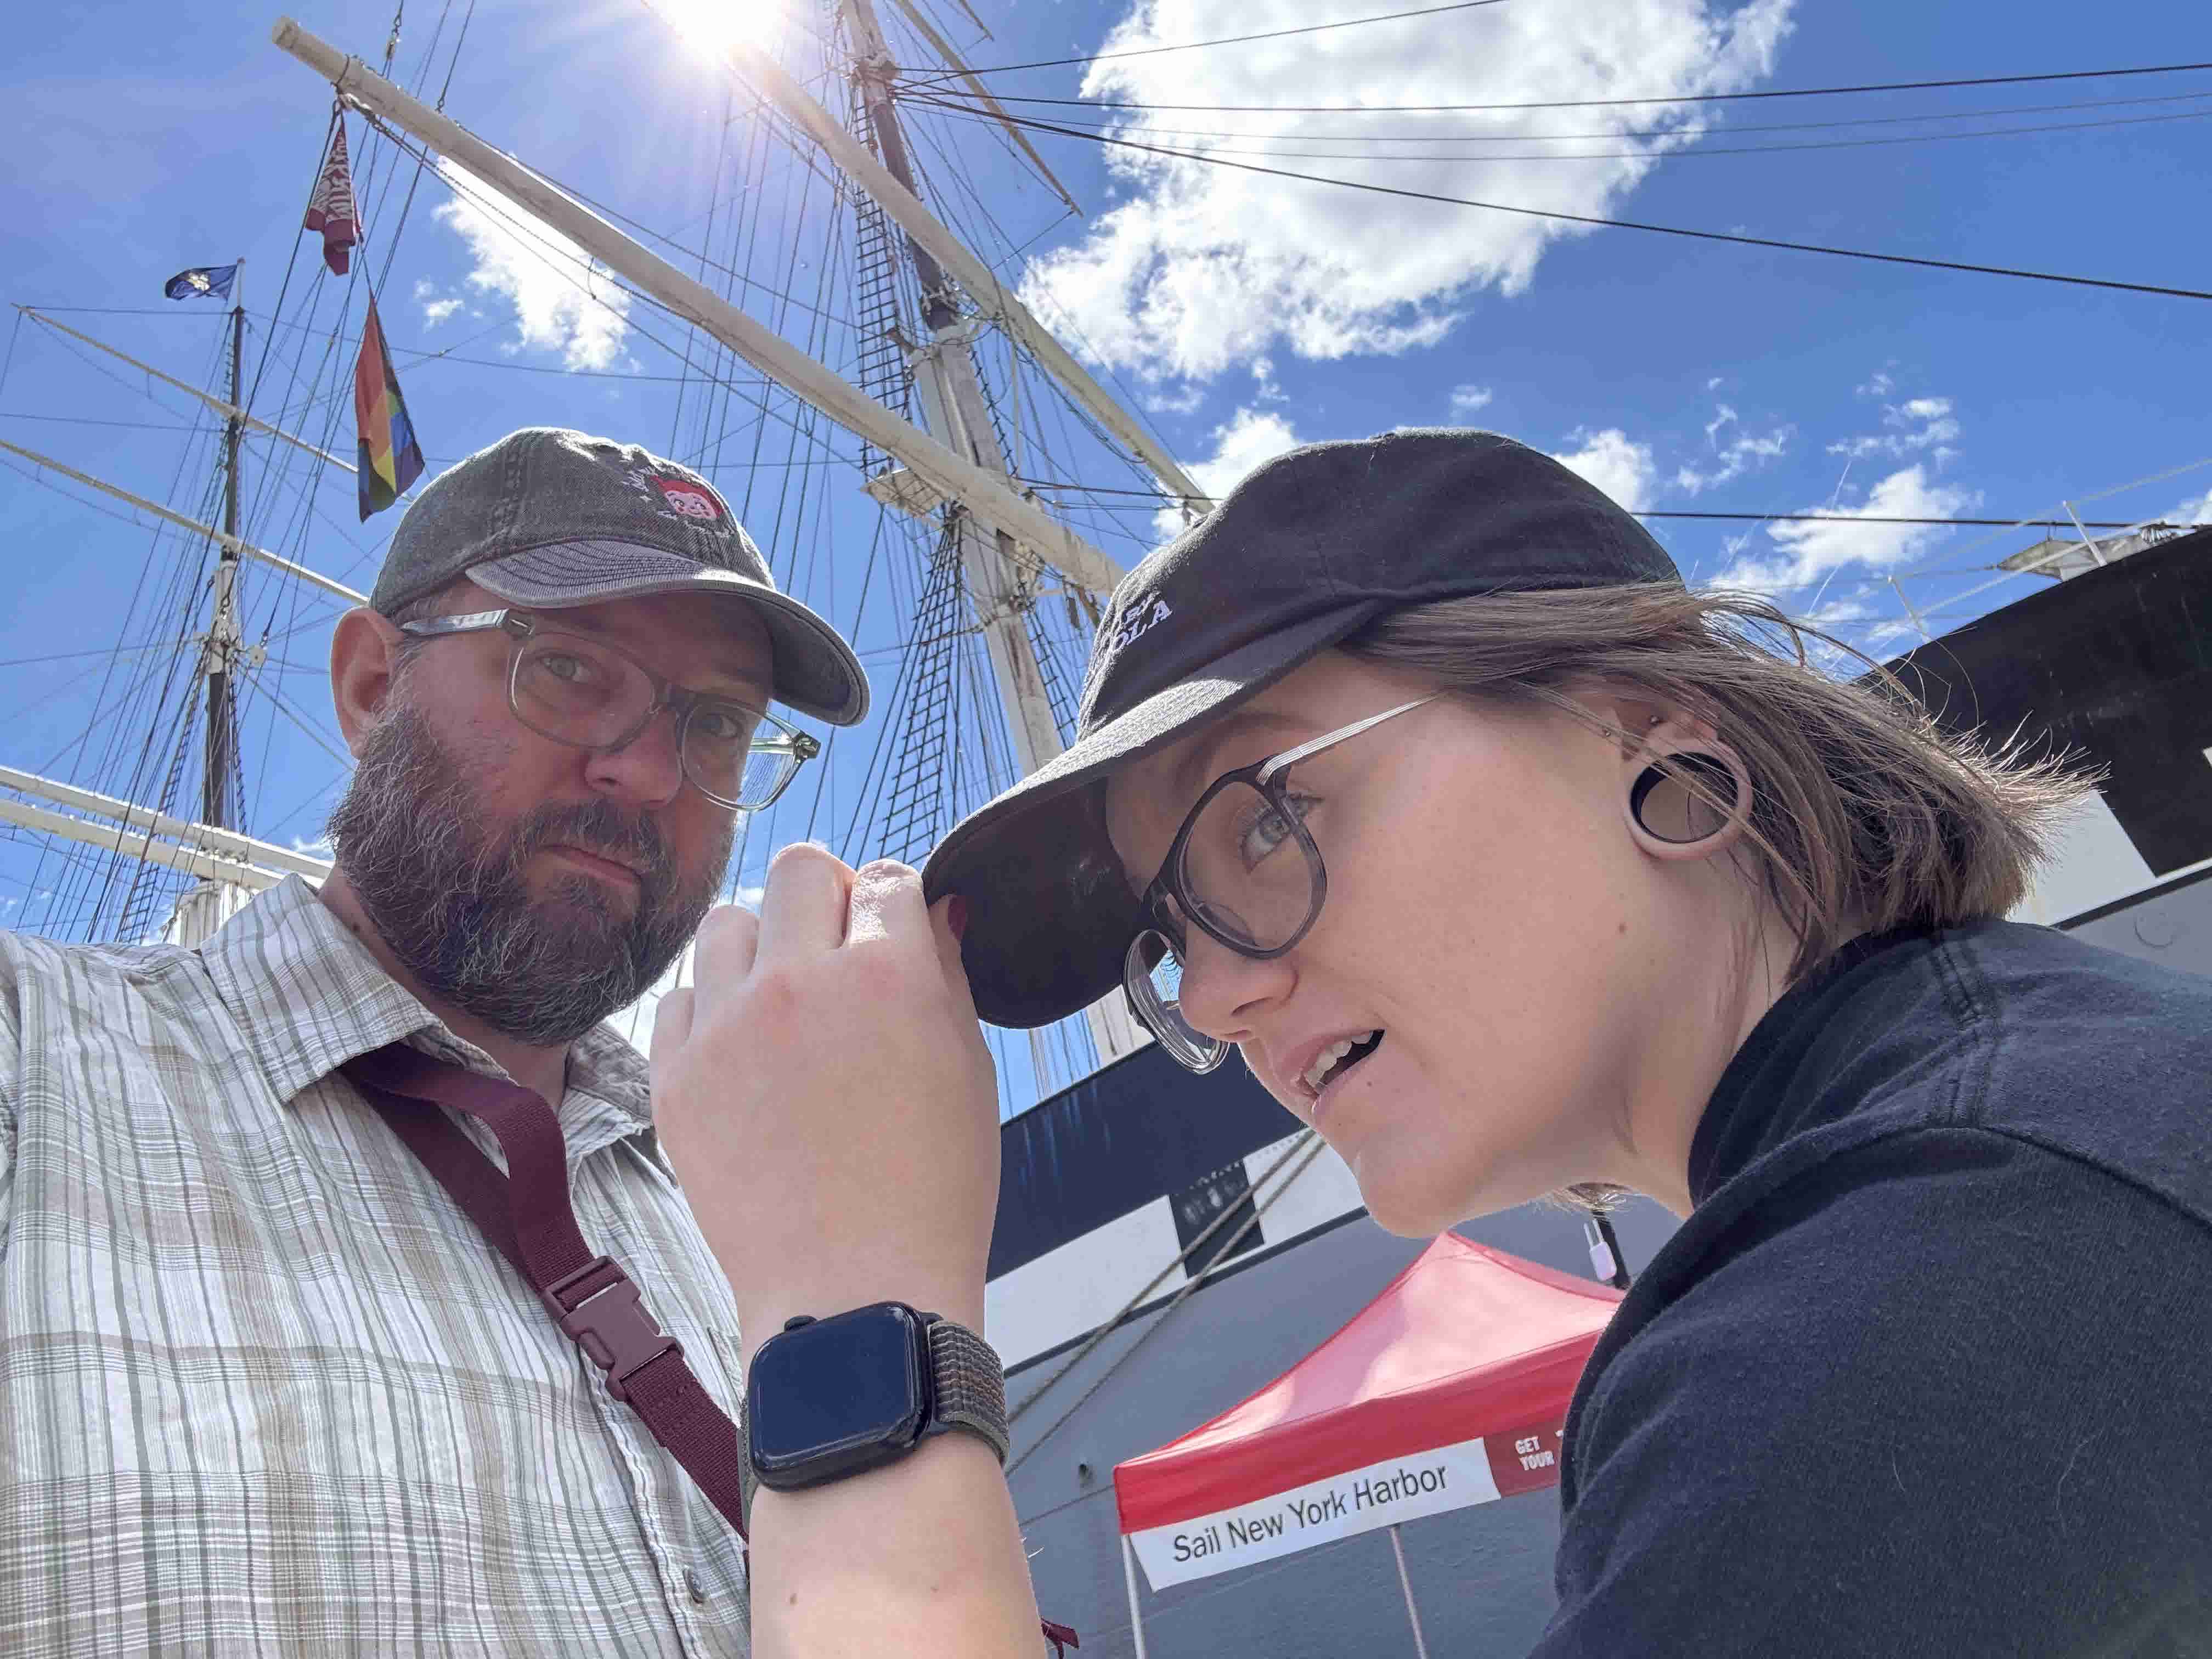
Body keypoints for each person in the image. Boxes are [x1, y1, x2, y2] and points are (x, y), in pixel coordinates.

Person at [656, 427, 2212, 1657]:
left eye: (1265, 818)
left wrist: (850, 1325)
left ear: (1651, 734)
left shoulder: (1940, 1280)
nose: (1212, 994)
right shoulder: (2013, 1142)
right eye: (1169, 933)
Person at [0, 427, 876, 1655]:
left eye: (721, 724)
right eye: (568, 668)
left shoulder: (736, 1203)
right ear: (372, 686)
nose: (647, 773)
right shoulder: (33, 1057)